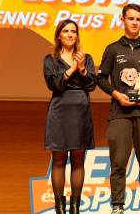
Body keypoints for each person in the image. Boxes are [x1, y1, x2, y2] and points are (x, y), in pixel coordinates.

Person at [97, 3, 140, 214]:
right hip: (119, 114)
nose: (135, 22)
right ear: (122, 20)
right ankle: (117, 206)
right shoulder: (112, 49)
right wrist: (116, 94)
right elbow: (101, 78)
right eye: (131, 18)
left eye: (138, 19)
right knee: (118, 163)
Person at [43, 19, 97, 214]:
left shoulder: (87, 58)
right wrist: (71, 70)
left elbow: (92, 85)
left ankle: (75, 207)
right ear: (59, 35)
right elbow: (54, 85)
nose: (70, 34)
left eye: (73, 31)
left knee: (78, 160)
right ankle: (59, 207)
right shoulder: (50, 59)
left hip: (80, 112)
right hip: (59, 111)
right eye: (65, 31)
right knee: (58, 161)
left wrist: (82, 68)